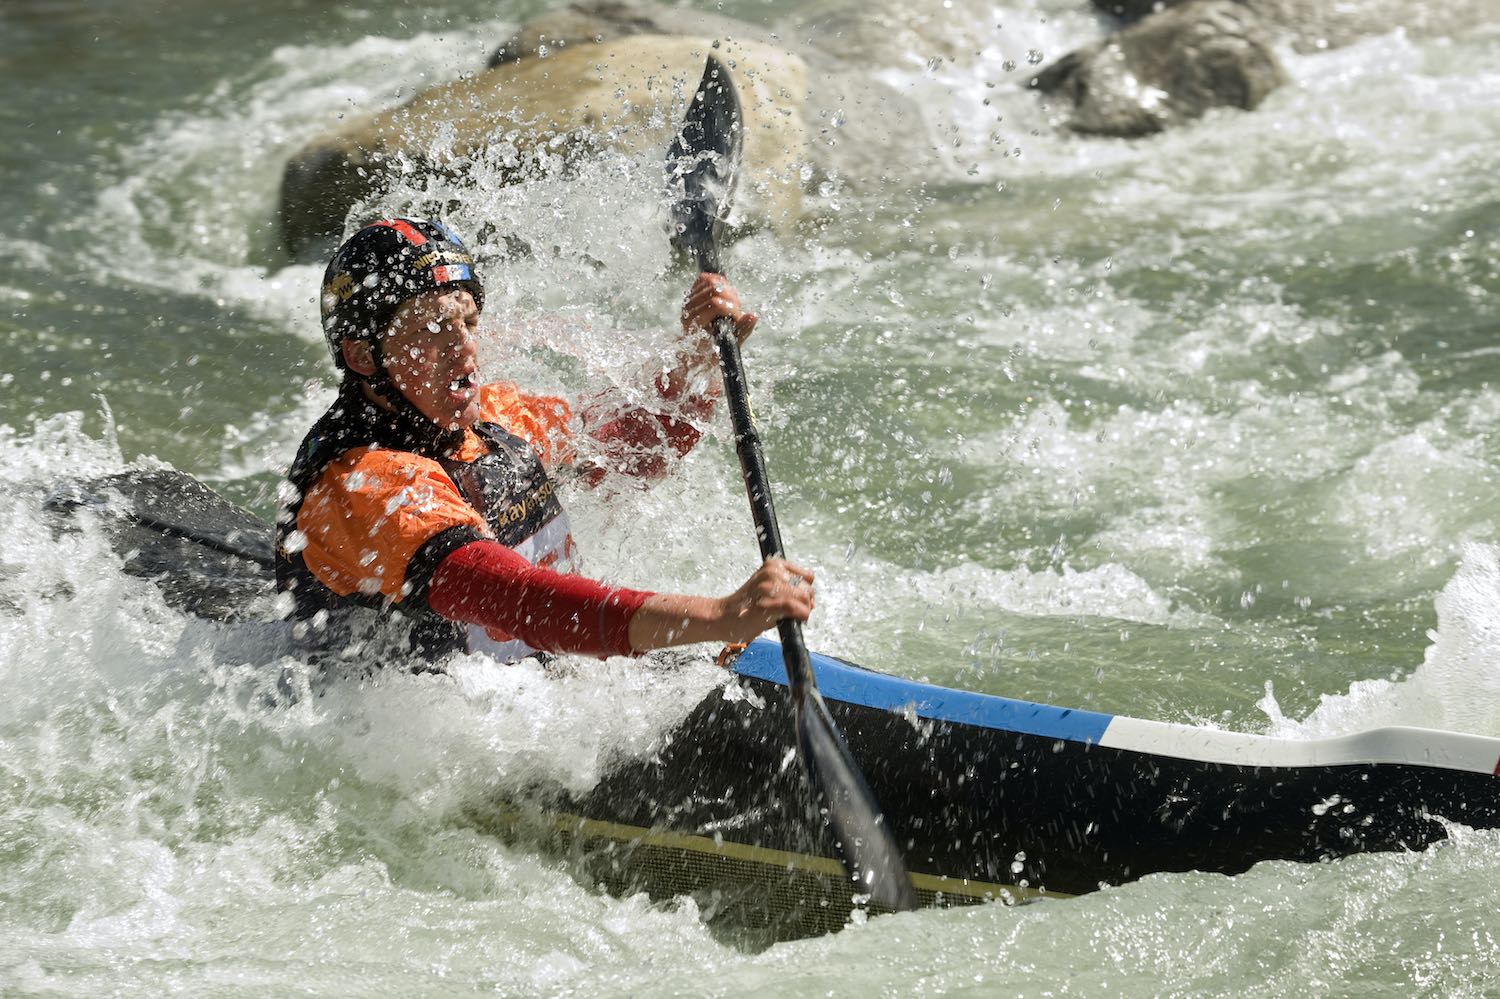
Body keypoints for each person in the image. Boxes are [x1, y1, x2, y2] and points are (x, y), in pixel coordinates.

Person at [275, 216, 814, 664]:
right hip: (421, 737)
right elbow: (518, 601)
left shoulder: (490, 420)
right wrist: (717, 617)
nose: (466, 350)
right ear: (363, 357)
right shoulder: (364, 486)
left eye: (468, 322)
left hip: (536, 682)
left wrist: (696, 359)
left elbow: (630, 450)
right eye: (433, 328)